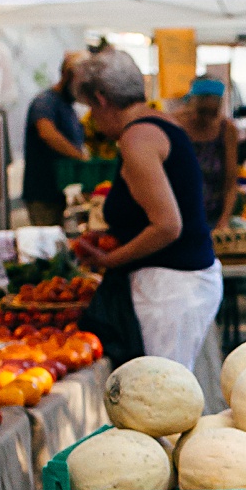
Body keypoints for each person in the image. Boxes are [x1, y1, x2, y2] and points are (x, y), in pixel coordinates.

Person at [72, 49, 221, 371]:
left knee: (162, 396)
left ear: (101, 99)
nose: (94, 121)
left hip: (170, 290)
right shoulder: (161, 124)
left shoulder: (137, 138)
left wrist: (109, 260)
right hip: (184, 283)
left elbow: (167, 225)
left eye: (91, 110)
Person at [20, 51, 88, 225]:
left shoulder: (68, 107)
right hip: (44, 194)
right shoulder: (45, 102)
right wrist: (79, 157)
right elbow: (47, 133)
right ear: (66, 76)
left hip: (61, 192)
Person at [177, 76, 240, 233]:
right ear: (190, 103)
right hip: (177, 218)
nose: (207, 118)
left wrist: (223, 221)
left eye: (213, 113)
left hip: (212, 219)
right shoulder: (174, 125)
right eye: (202, 111)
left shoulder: (226, 130)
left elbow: (231, 182)